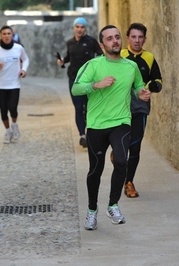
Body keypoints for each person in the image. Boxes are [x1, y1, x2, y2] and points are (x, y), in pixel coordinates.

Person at [72, 25, 151, 230]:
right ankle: (91, 211)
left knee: (122, 161)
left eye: (117, 37)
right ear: (102, 44)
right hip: (97, 125)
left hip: (121, 122)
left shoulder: (130, 66)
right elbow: (76, 88)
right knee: (95, 171)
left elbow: (138, 85)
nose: (115, 41)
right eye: (109, 38)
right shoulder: (93, 65)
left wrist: (141, 93)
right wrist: (95, 85)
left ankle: (113, 205)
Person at [120, 23, 163, 198]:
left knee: (135, 146)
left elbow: (159, 81)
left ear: (144, 39)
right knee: (121, 145)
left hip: (140, 108)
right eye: (134, 37)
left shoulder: (149, 58)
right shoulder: (120, 56)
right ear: (128, 38)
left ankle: (128, 182)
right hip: (119, 108)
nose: (137, 40)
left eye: (140, 37)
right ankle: (118, 155)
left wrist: (152, 86)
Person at [57, 17, 103, 148]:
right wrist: (62, 61)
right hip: (73, 79)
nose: (79, 29)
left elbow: (100, 55)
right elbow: (68, 57)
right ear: (73, 28)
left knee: (89, 108)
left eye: (82, 27)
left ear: (85, 28)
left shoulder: (91, 41)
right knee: (78, 108)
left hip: (89, 80)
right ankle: (82, 136)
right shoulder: (69, 43)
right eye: (77, 27)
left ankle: (90, 134)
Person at [0, 25, 29, 144]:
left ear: (12, 35)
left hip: (14, 84)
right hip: (1, 85)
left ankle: (14, 125)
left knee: (13, 108)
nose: (7, 36)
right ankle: (8, 131)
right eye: (4, 34)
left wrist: (24, 70)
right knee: (3, 111)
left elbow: (26, 59)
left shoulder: (18, 48)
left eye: (9, 34)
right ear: (1, 35)